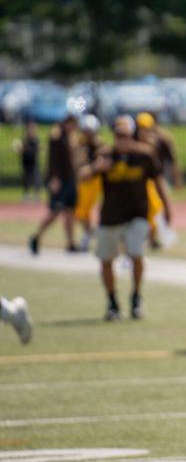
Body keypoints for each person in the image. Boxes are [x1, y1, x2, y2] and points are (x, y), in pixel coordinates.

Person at [81, 115, 172, 320]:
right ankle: (112, 302)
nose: (122, 140)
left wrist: (167, 208)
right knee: (106, 260)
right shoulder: (105, 155)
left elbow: (158, 181)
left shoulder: (144, 155)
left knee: (136, 253)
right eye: (119, 135)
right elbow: (83, 175)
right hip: (111, 216)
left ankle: (136, 297)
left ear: (133, 136)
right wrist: (97, 168)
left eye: (126, 135)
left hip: (137, 214)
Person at [29, 113, 79, 255]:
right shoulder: (56, 135)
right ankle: (36, 236)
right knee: (55, 211)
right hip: (59, 180)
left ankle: (70, 243)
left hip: (70, 179)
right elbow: (52, 159)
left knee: (70, 212)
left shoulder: (71, 136)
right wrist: (53, 178)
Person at [74, 114, 104, 251]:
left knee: (96, 211)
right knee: (81, 212)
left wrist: (90, 169)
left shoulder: (100, 145)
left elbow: (101, 163)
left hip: (97, 182)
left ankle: (96, 237)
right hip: (84, 182)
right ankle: (88, 234)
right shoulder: (80, 144)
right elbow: (78, 162)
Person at [18, 121, 39, 202]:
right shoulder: (25, 139)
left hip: (33, 162)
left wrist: (24, 149)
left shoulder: (35, 140)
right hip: (26, 162)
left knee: (35, 178)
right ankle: (26, 194)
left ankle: (36, 195)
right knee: (26, 179)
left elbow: (35, 150)